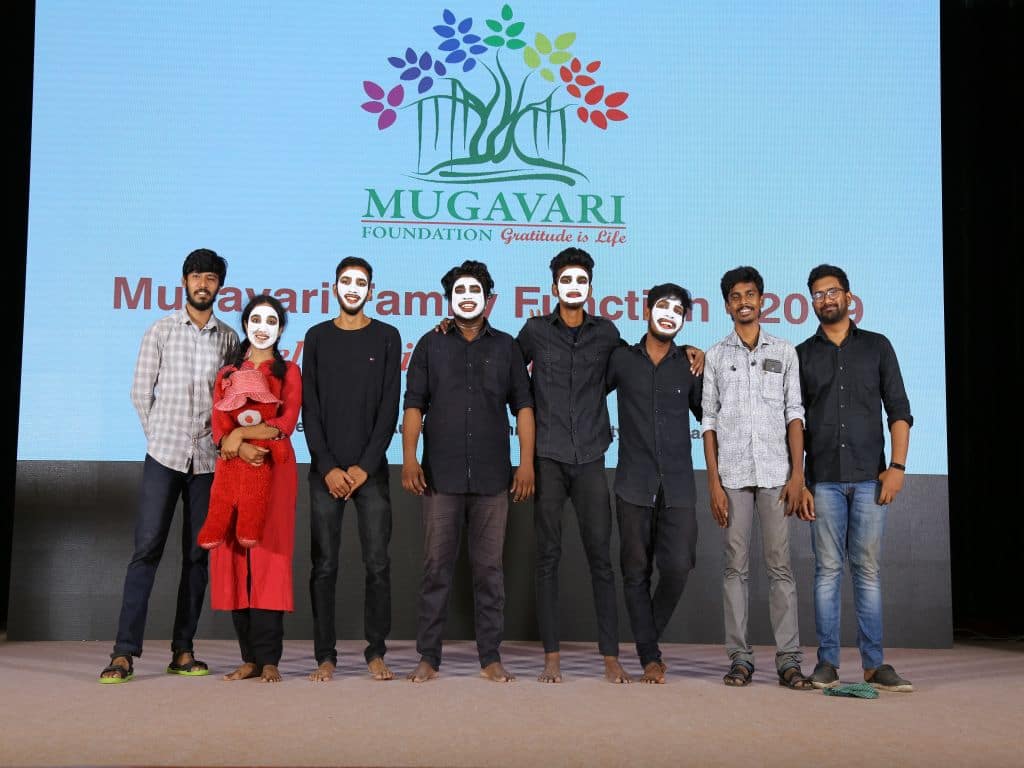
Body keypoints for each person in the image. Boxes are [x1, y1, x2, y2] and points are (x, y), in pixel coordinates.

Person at [100, 248, 238, 683]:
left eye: (211, 278)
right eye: (196, 276)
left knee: (197, 558)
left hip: (208, 462)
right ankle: (124, 653)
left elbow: (231, 401)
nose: (203, 284)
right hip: (164, 456)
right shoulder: (160, 330)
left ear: (220, 286)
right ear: (184, 282)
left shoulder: (229, 339)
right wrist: (159, 436)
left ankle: (183, 650)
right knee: (146, 551)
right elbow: (141, 392)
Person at [402, 260, 535, 683]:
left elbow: (524, 407)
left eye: (474, 290)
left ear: (488, 299)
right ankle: (428, 656)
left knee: (490, 572)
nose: (467, 297)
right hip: (439, 476)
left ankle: (490, 657)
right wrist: (409, 458)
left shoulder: (507, 347)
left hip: (494, 477)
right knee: (435, 568)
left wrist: (526, 463)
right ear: (448, 298)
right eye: (459, 291)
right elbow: (414, 404)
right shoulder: (430, 344)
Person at [797, 264, 914, 692]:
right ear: (811, 303)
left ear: (849, 296)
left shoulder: (877, 347)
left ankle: (874, 665)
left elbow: (899, 410)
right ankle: (827, 663)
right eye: (818, 294)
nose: (826, 299)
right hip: (823, 480)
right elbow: (794, 422)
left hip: (870, 478)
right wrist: (799, 481)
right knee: (827, 572)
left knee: (867, 571)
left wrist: (897, 468)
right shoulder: (801, 354)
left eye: (832, 292)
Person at [701, 265, 813, 690]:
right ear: (727, 305)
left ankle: (789, 661)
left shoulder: (785, 351)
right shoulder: (716, 355)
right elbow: (708, 421)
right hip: (731, 476)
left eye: (750, 295)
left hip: (776, 475)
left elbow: (795, 413)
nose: (743, 302)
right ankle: (740, 658)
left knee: (780, 566)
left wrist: (798, 474)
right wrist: (713, 482)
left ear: (762, 301)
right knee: (735, 568)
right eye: (736, 296)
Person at [303, 257, 401, 682]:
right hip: (325, 473)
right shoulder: (316, 337)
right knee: (324, 566)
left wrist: (364, 467)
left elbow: (389, 407)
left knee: (377, 564)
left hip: (370, 473)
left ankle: (375, 652)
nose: (353, 288)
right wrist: (327, 466)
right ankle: (324, 656)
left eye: (361, 282)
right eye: (346, 281)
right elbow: (310, 406)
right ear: (334, 287)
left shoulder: (387, 336)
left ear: (371, 290)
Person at [606, 283, 703, 684]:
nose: (669, 315)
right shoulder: (621, 360)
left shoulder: (691, 365)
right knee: (635, 573)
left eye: (678, 311)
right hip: (633, 483)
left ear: (684, 321)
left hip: (679, 485)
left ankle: (646, 641)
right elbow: (583, 393)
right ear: (646, 311)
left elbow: (711, 417)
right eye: (662, 306)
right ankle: (650, 657)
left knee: (678, 567)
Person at [213, 295, 301, 683]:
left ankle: (269, 660)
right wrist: (235, 442)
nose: (262, 327)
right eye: (255, 320)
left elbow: (286, 421)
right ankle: (248, 658)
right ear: (246, 324)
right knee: (237, 559)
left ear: (280, 329)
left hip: (275, 470)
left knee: (269, 558)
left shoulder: (290, 371)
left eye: (271, 321)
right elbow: (219, 425)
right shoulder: (227, 373)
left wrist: (241, 436)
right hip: (233, 469)